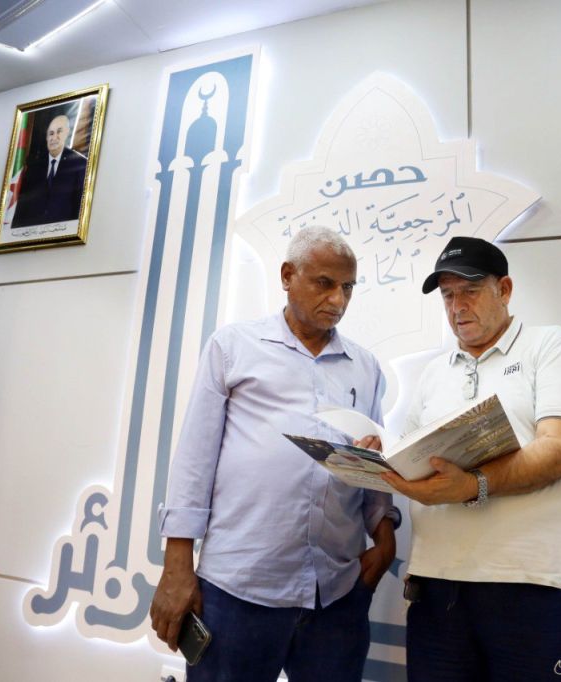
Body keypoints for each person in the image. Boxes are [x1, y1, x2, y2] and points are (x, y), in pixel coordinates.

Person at [150, 227, 399, 681]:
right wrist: (177, 568)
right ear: (287, 275)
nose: (338, 300)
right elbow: (194, 461)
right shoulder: (233, 347)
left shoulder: (365, 367)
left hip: (335, 593)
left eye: (348, 287)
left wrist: (384, 536)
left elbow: (371, 458)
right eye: (324, 283)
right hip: (239, 588)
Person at [382, 236, 561, 682]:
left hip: (537, 584)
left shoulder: (550, 345)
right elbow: (409, 460)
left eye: (470, 290)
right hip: (437, 587)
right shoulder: (433, 372)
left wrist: (472, 484)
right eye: (448, 295)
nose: (457, 306)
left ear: (505, 289)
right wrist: (377, 457)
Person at [12, 113, 88, 228]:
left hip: (63, 232)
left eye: (59, 132)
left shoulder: (79, 164)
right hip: (32, 231)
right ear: (47, 137)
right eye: (51, 133)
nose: (54, 137)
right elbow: (22, 206)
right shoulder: (34, 165)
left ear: (67, 133)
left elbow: (80, 208)